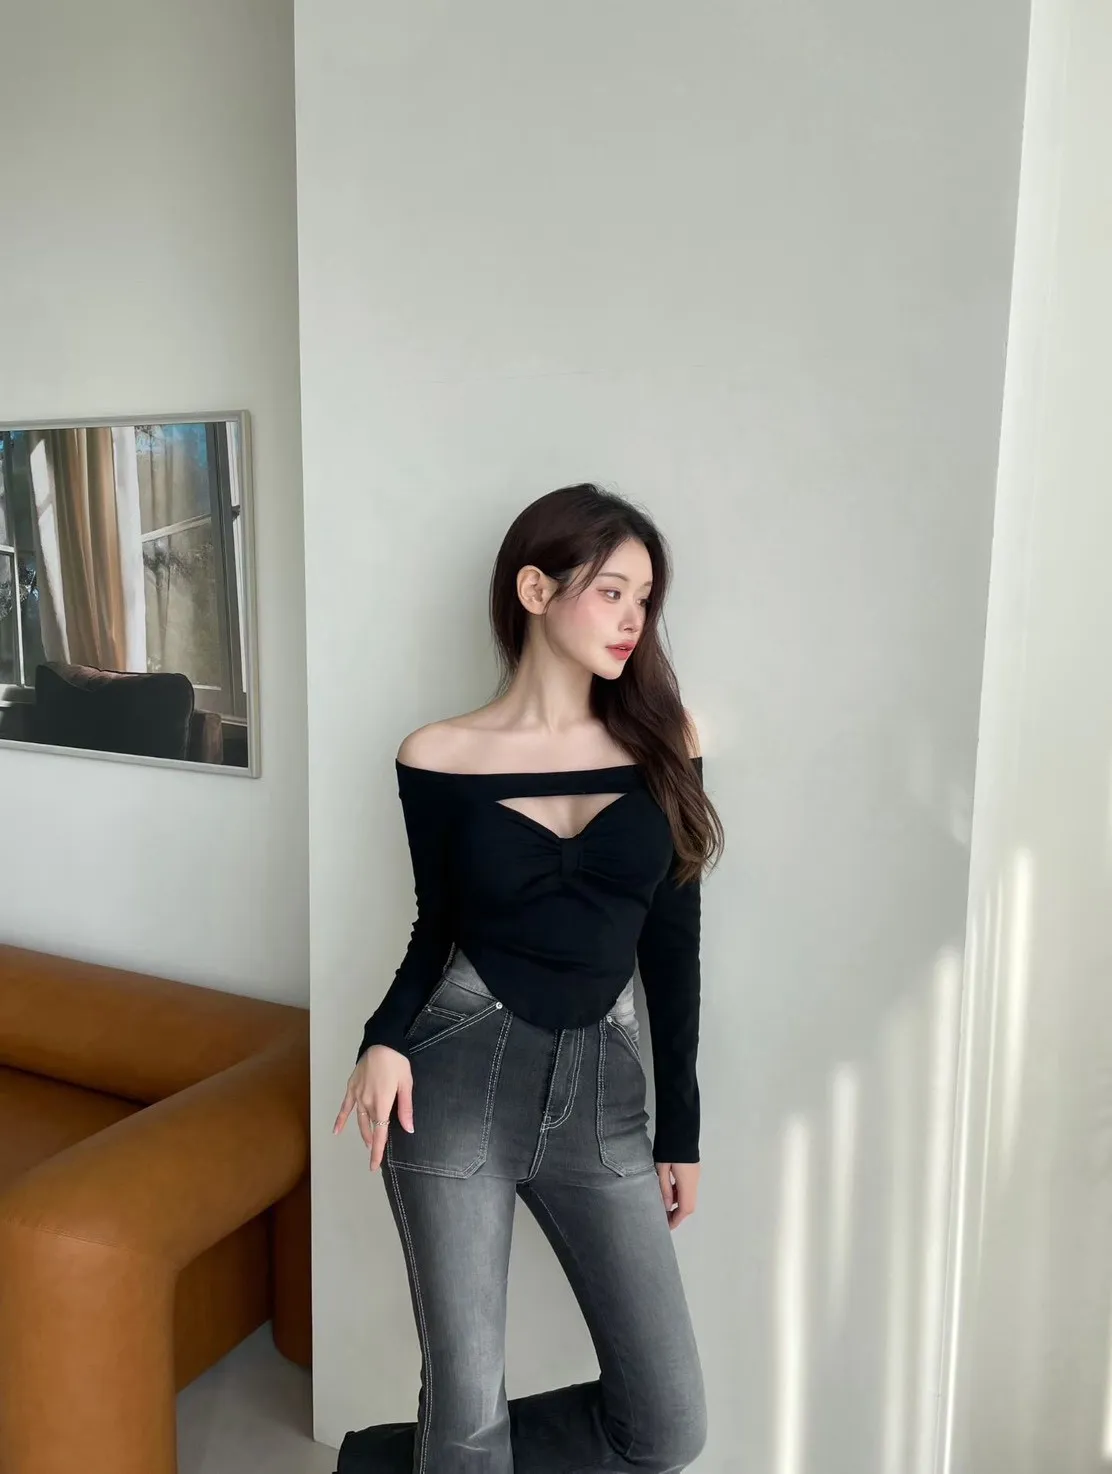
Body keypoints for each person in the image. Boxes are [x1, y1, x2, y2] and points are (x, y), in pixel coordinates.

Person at [333, 483, 724, 1474]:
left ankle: (384, 1464)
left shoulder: (666, 744)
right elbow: (436, 928)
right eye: (612, 592)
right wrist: (382, 1038)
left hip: (605, 1100)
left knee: (667, 1426)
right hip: (454, 1084)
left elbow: (672, 946)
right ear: (536, 589)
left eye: (645, 598)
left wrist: (678, 1129)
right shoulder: (437, 754)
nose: (633, 619)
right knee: (466, 1413)